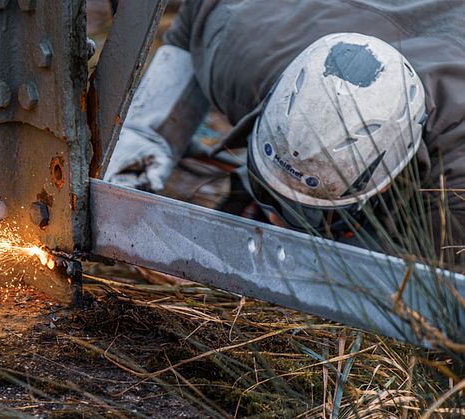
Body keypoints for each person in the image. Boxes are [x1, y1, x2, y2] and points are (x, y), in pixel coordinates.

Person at [105, 0, 465, 260]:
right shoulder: (235, 46)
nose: (279, 218)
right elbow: (189, 26)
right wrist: (130, 167)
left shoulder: (456, 175)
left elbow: (424, 299)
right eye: (269, 189)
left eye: (317, 214)